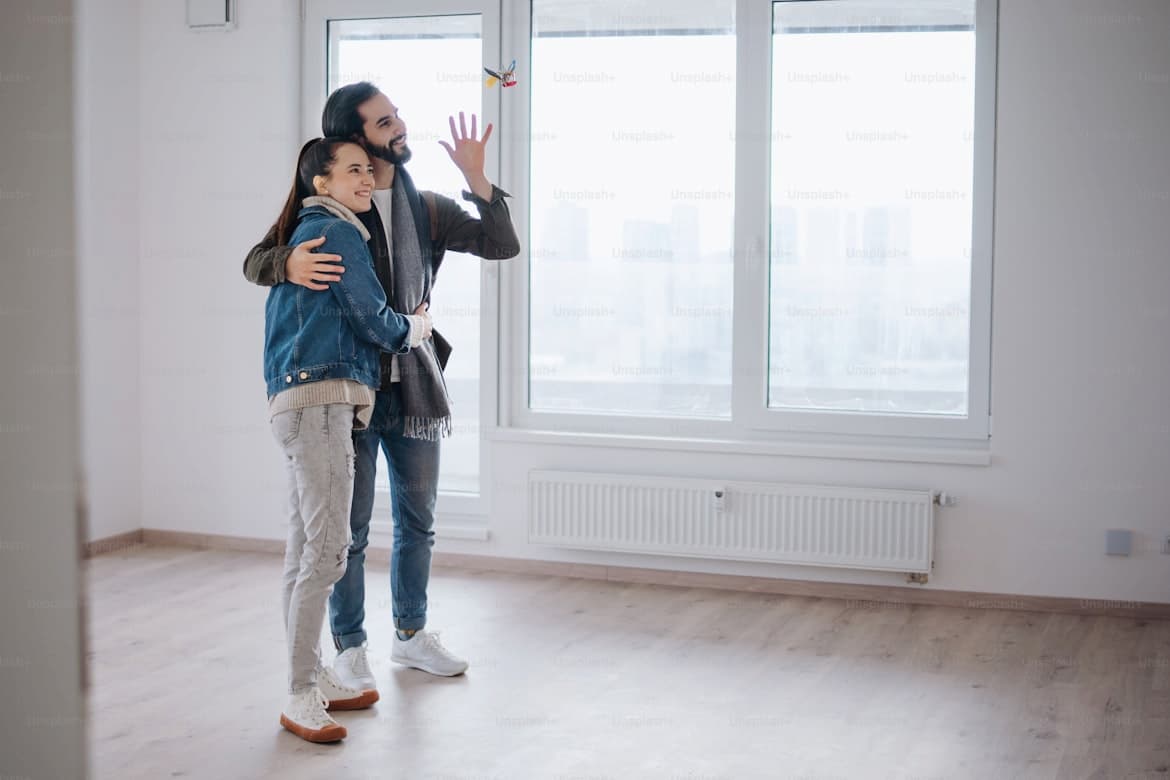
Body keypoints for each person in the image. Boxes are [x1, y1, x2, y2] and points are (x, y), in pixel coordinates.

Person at [244, 82, 520, 690]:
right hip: (351, 389)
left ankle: (411, 636)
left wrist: (477, 178)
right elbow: (256, 259)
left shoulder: (426, 207)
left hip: (414, 385)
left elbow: (503, 245)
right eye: (385, 121)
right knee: (351, 529)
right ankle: (350, 647)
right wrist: (285, 263)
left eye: (397, 116)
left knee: (418, 520)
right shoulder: (339, 202)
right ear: (355, 137)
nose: (400, 126)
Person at [265, 136, 434, 742]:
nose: (367, 179)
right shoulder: (337, 233)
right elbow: (374, 320)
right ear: (322, 182)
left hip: (300, 401)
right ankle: (300, 692)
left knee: (304, 549)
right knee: (330, 551)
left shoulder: (313, 228)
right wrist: (417, 327)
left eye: (370, 170)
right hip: (322, 402)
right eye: (354, 170)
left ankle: (308, 675)